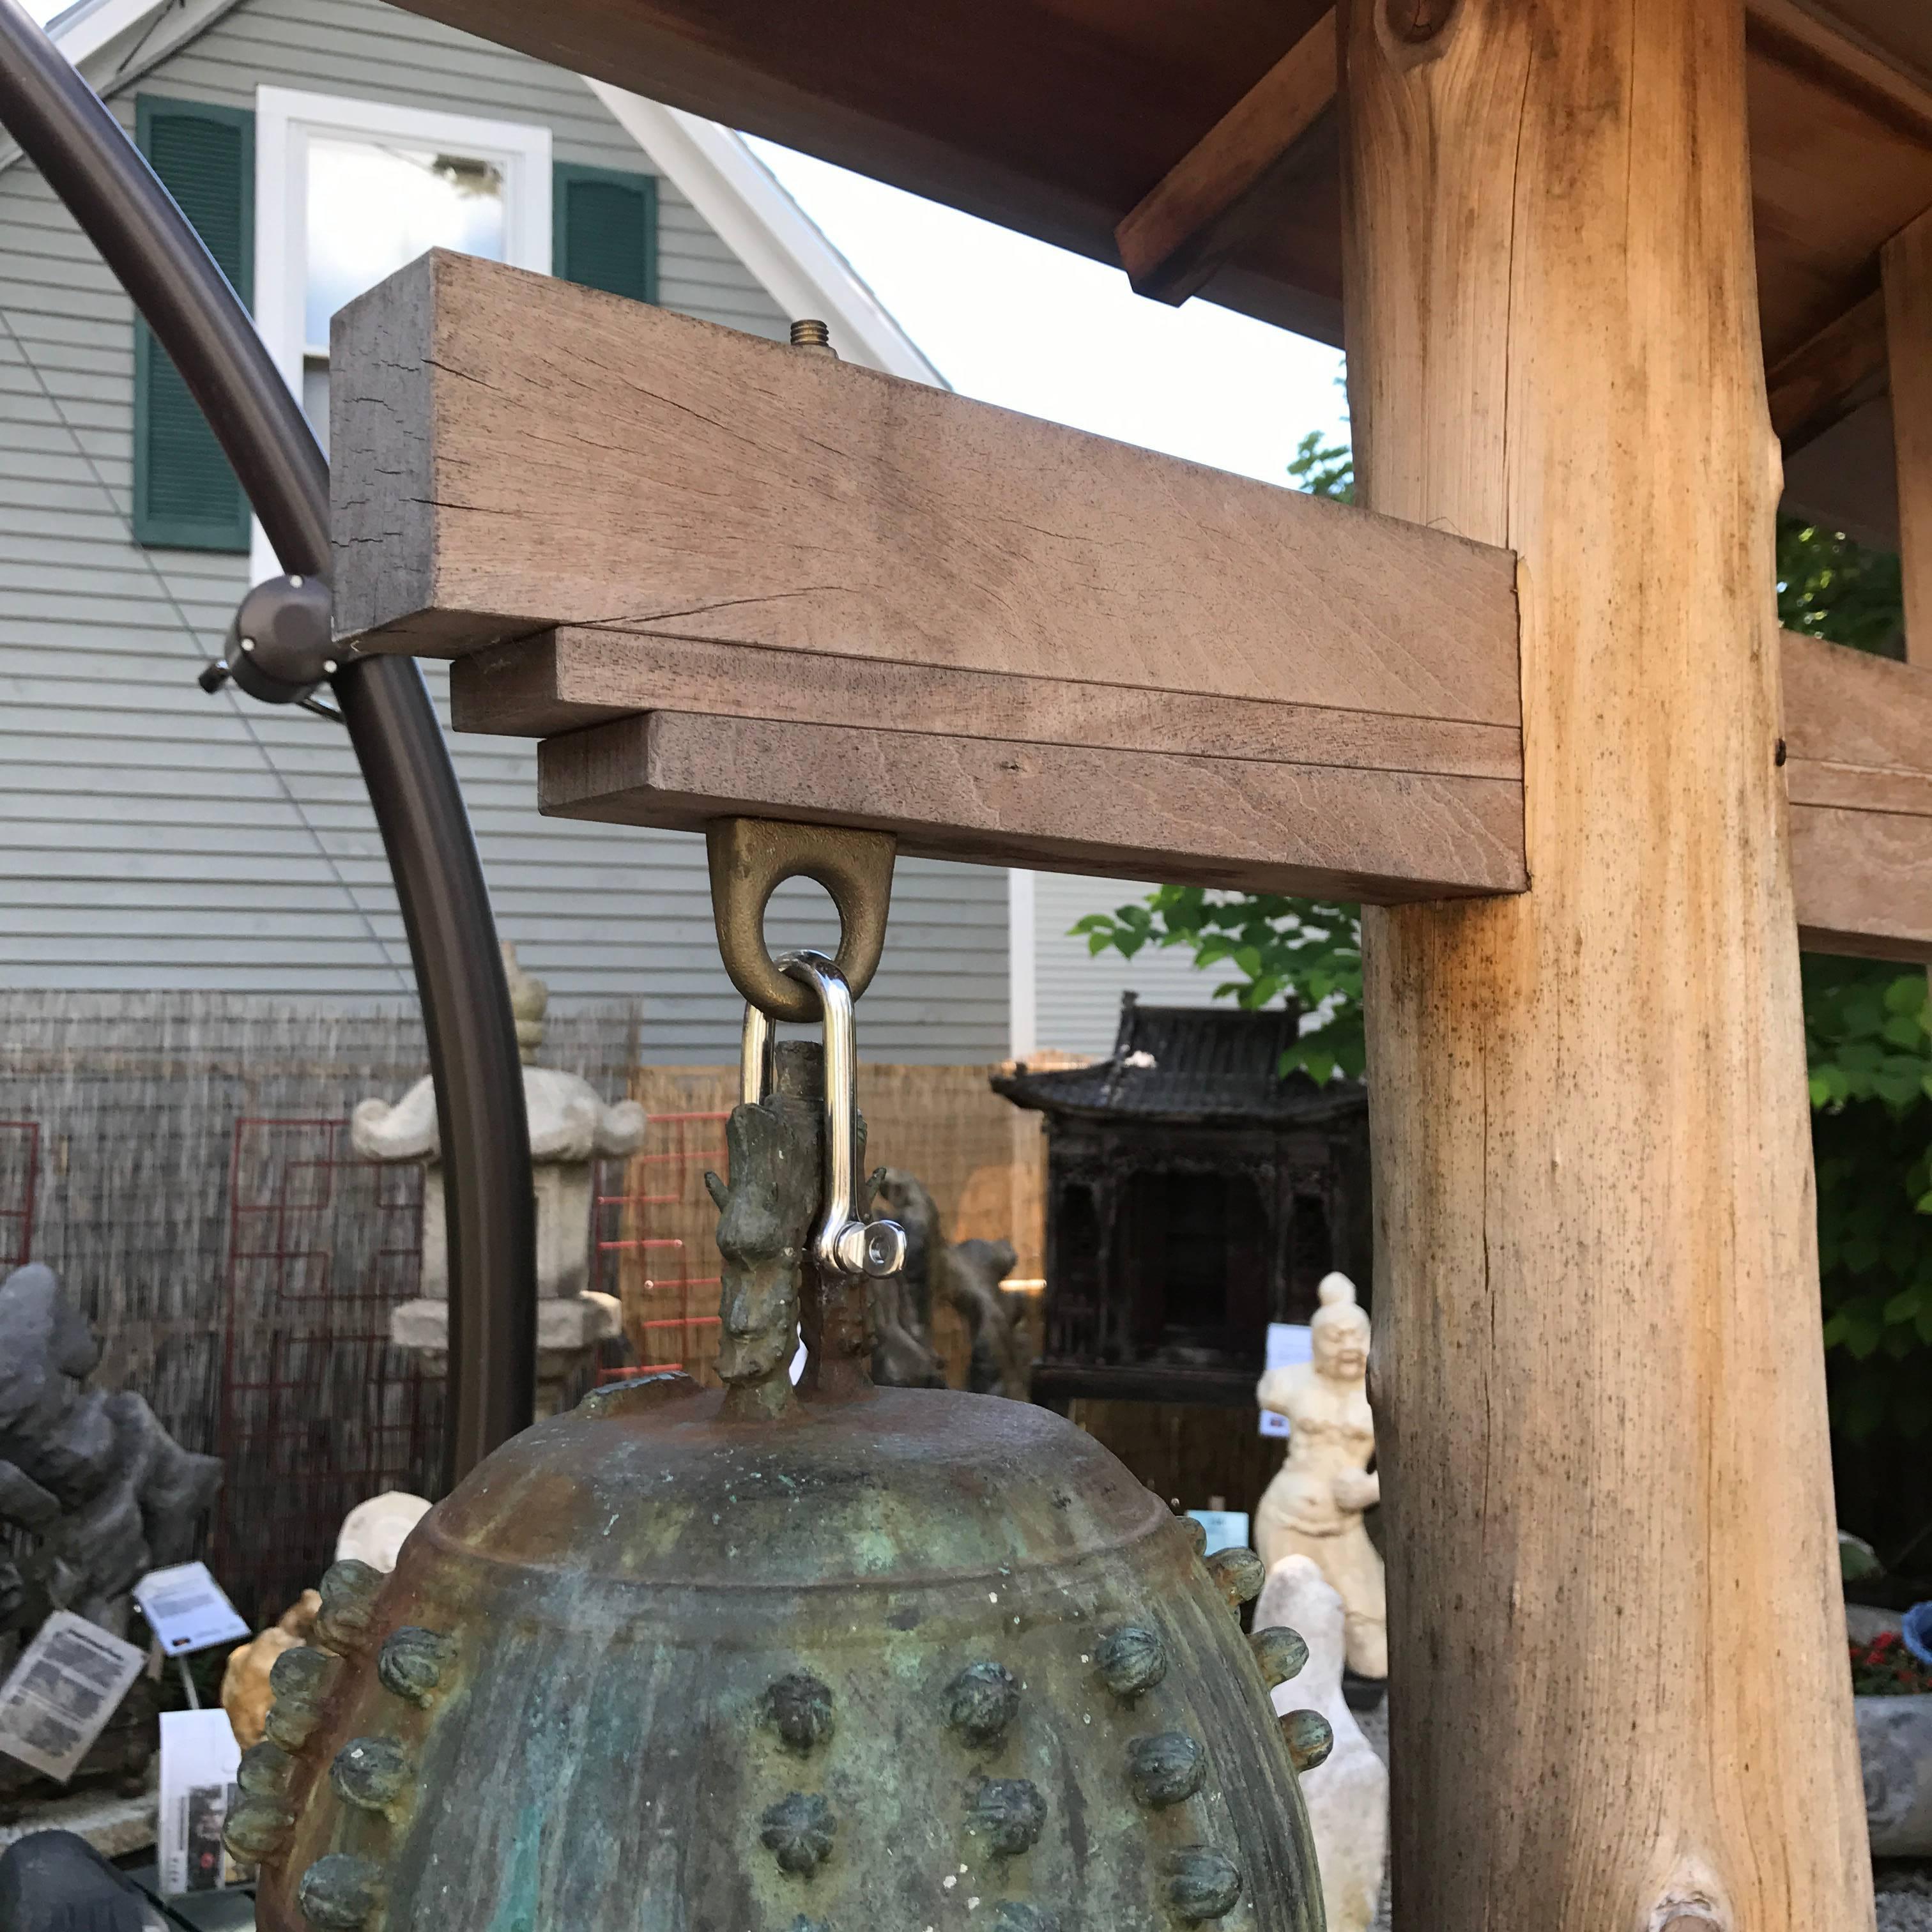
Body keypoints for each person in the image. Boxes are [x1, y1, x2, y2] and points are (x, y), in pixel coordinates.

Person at [1254, 1272, 1385, 1679]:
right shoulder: (1287, 1383)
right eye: (1336, 1337)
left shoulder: (1382, 1392)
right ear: (1316, 1342)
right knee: (1291, 1639)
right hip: (1286, 1519)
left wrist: (1371, 1487)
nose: (1348, 1347)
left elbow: (1418, 1461)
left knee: (1374, 1651)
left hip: (1344, 1527)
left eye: (1355, 1336)